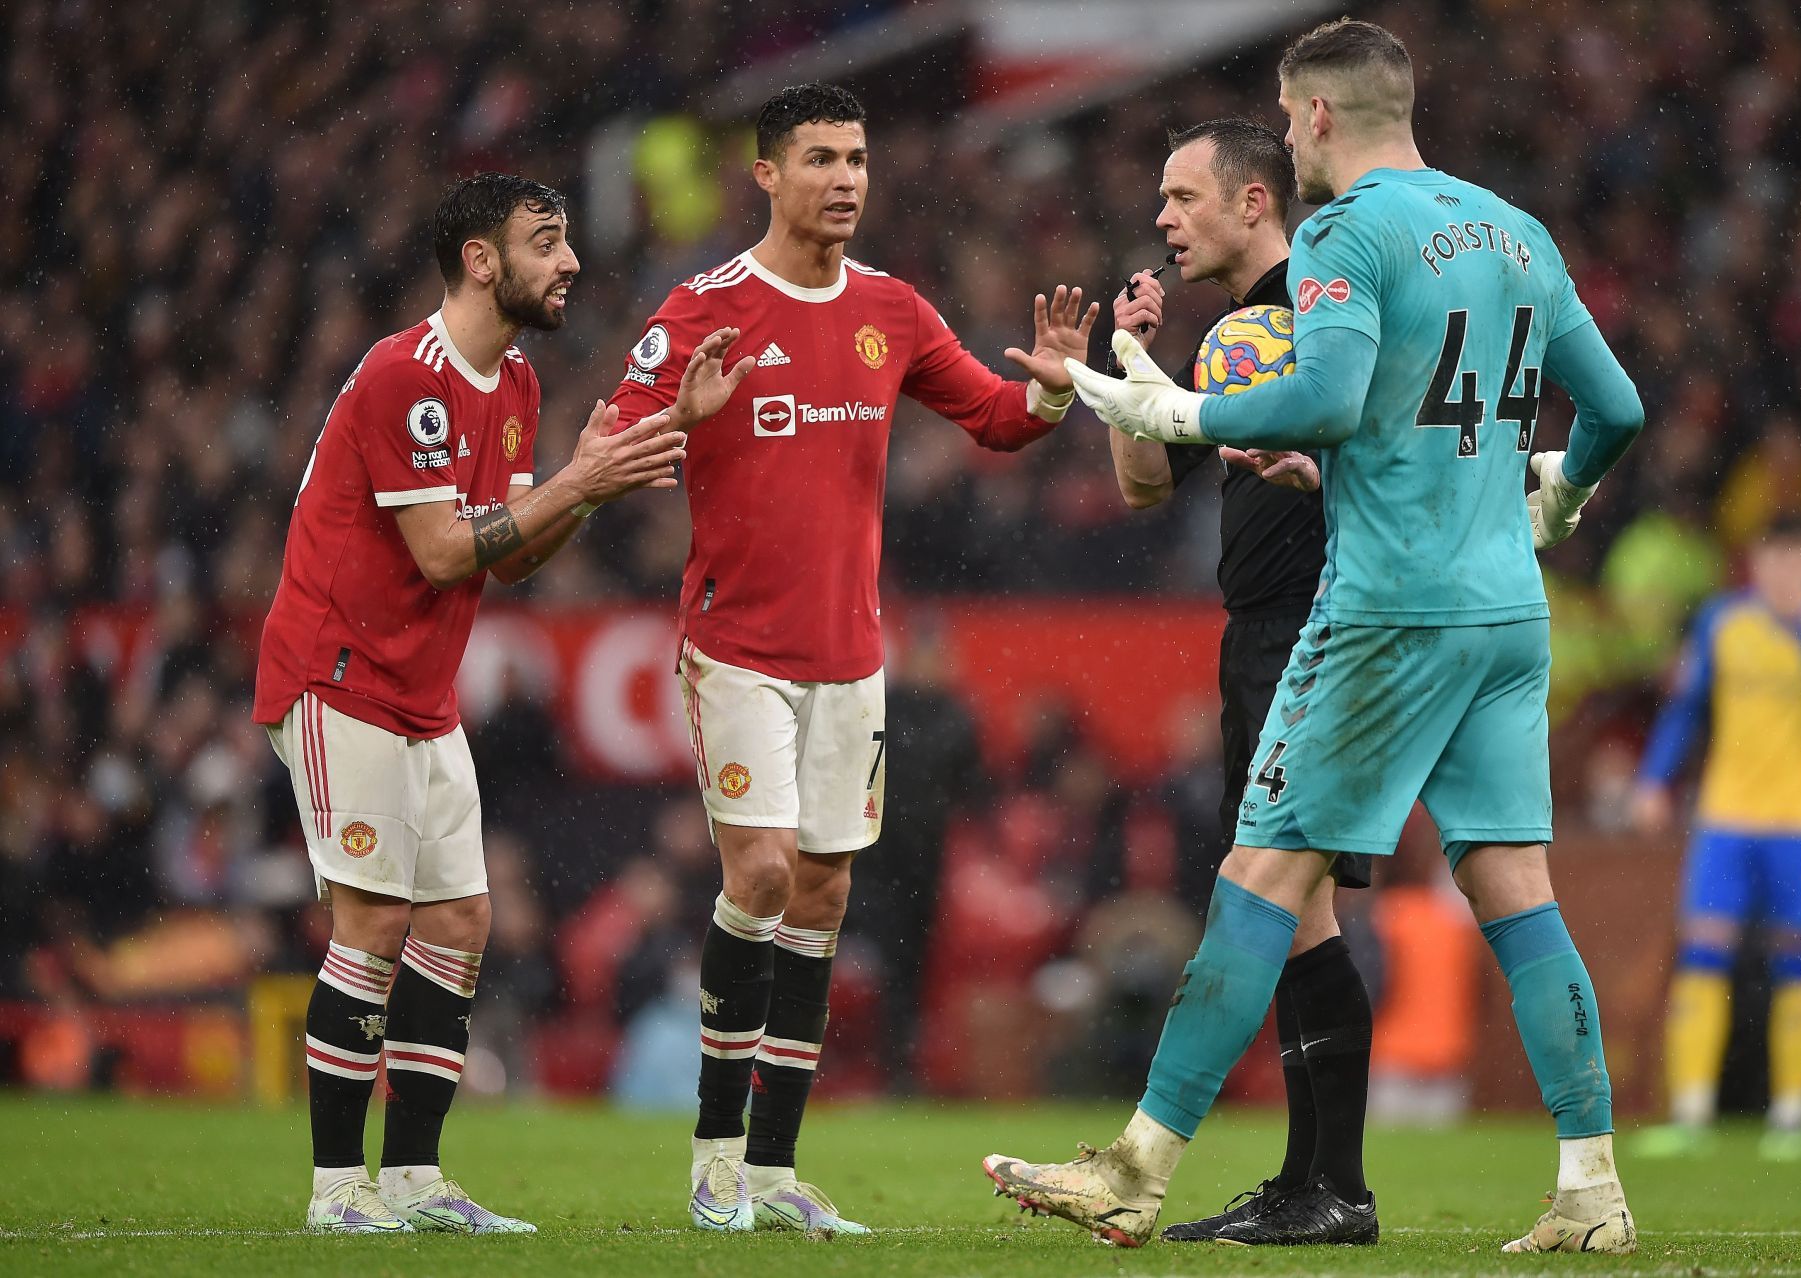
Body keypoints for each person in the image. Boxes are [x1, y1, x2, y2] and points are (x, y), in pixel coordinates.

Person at [984, 19, 1645, 1252]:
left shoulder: (1348, 232)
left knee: (1256, 881)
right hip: (1507, 612)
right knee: (1518, 896)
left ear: (1321, 116)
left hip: (1387, 613)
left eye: (1289, 123)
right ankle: (1590, 1189)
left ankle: (1135, 1168)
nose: (1290, 143)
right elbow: (1615, 407)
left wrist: (1180, 406)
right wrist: (1558, 492)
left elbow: (1332, 393)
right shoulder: (1517, 230)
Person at [607, 82, 1096, 1237]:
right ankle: (714, 1159)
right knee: (763, 877)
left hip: (850, 659)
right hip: (736, 649)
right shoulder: (705, 306)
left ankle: (774, 1174)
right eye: (820, 158)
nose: (846, 179)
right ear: (766, 175)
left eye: (859, 158)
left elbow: (995, 418)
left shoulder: (892, 308)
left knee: (824, 892)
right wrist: (679, 416)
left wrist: (1054, 388)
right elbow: (606, 440)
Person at [254, 173, 751, 1234]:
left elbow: (512, 560)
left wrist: (594, 481)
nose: (569, 261)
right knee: (374, 920)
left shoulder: (516, 382)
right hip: (335, 675)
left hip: (418, 692)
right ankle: (338, 1193)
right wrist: (578, 483)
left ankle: (417, 1183)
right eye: (546, 241)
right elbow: (441, 552)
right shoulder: (405, 375)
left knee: (462, 919)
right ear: (482, 260)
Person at [1104, 117, 1375, 1245]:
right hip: (1261, 634)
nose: (1163, 219)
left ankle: (1330, 1187)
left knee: (1282, 901)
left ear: (1253, 201)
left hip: (1318, 626)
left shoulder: (1321, 305)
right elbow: (1142, 487)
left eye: (1182, 196)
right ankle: (1317, 1186)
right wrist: (1130, 357)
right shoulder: (1232, 330)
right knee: (1295, 910)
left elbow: (1373, 441)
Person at [1632, 516, 1801, 1161]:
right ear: (1755, 564)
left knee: (1798, 960)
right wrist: (1655, 779)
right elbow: (1687, 707)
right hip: (1726, 821)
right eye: (1772, 559)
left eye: (1796, 560)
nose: (1783, 574)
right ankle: (1690, 1115)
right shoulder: (1722, 623)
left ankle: (1791, 1117)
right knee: (1703, 955)